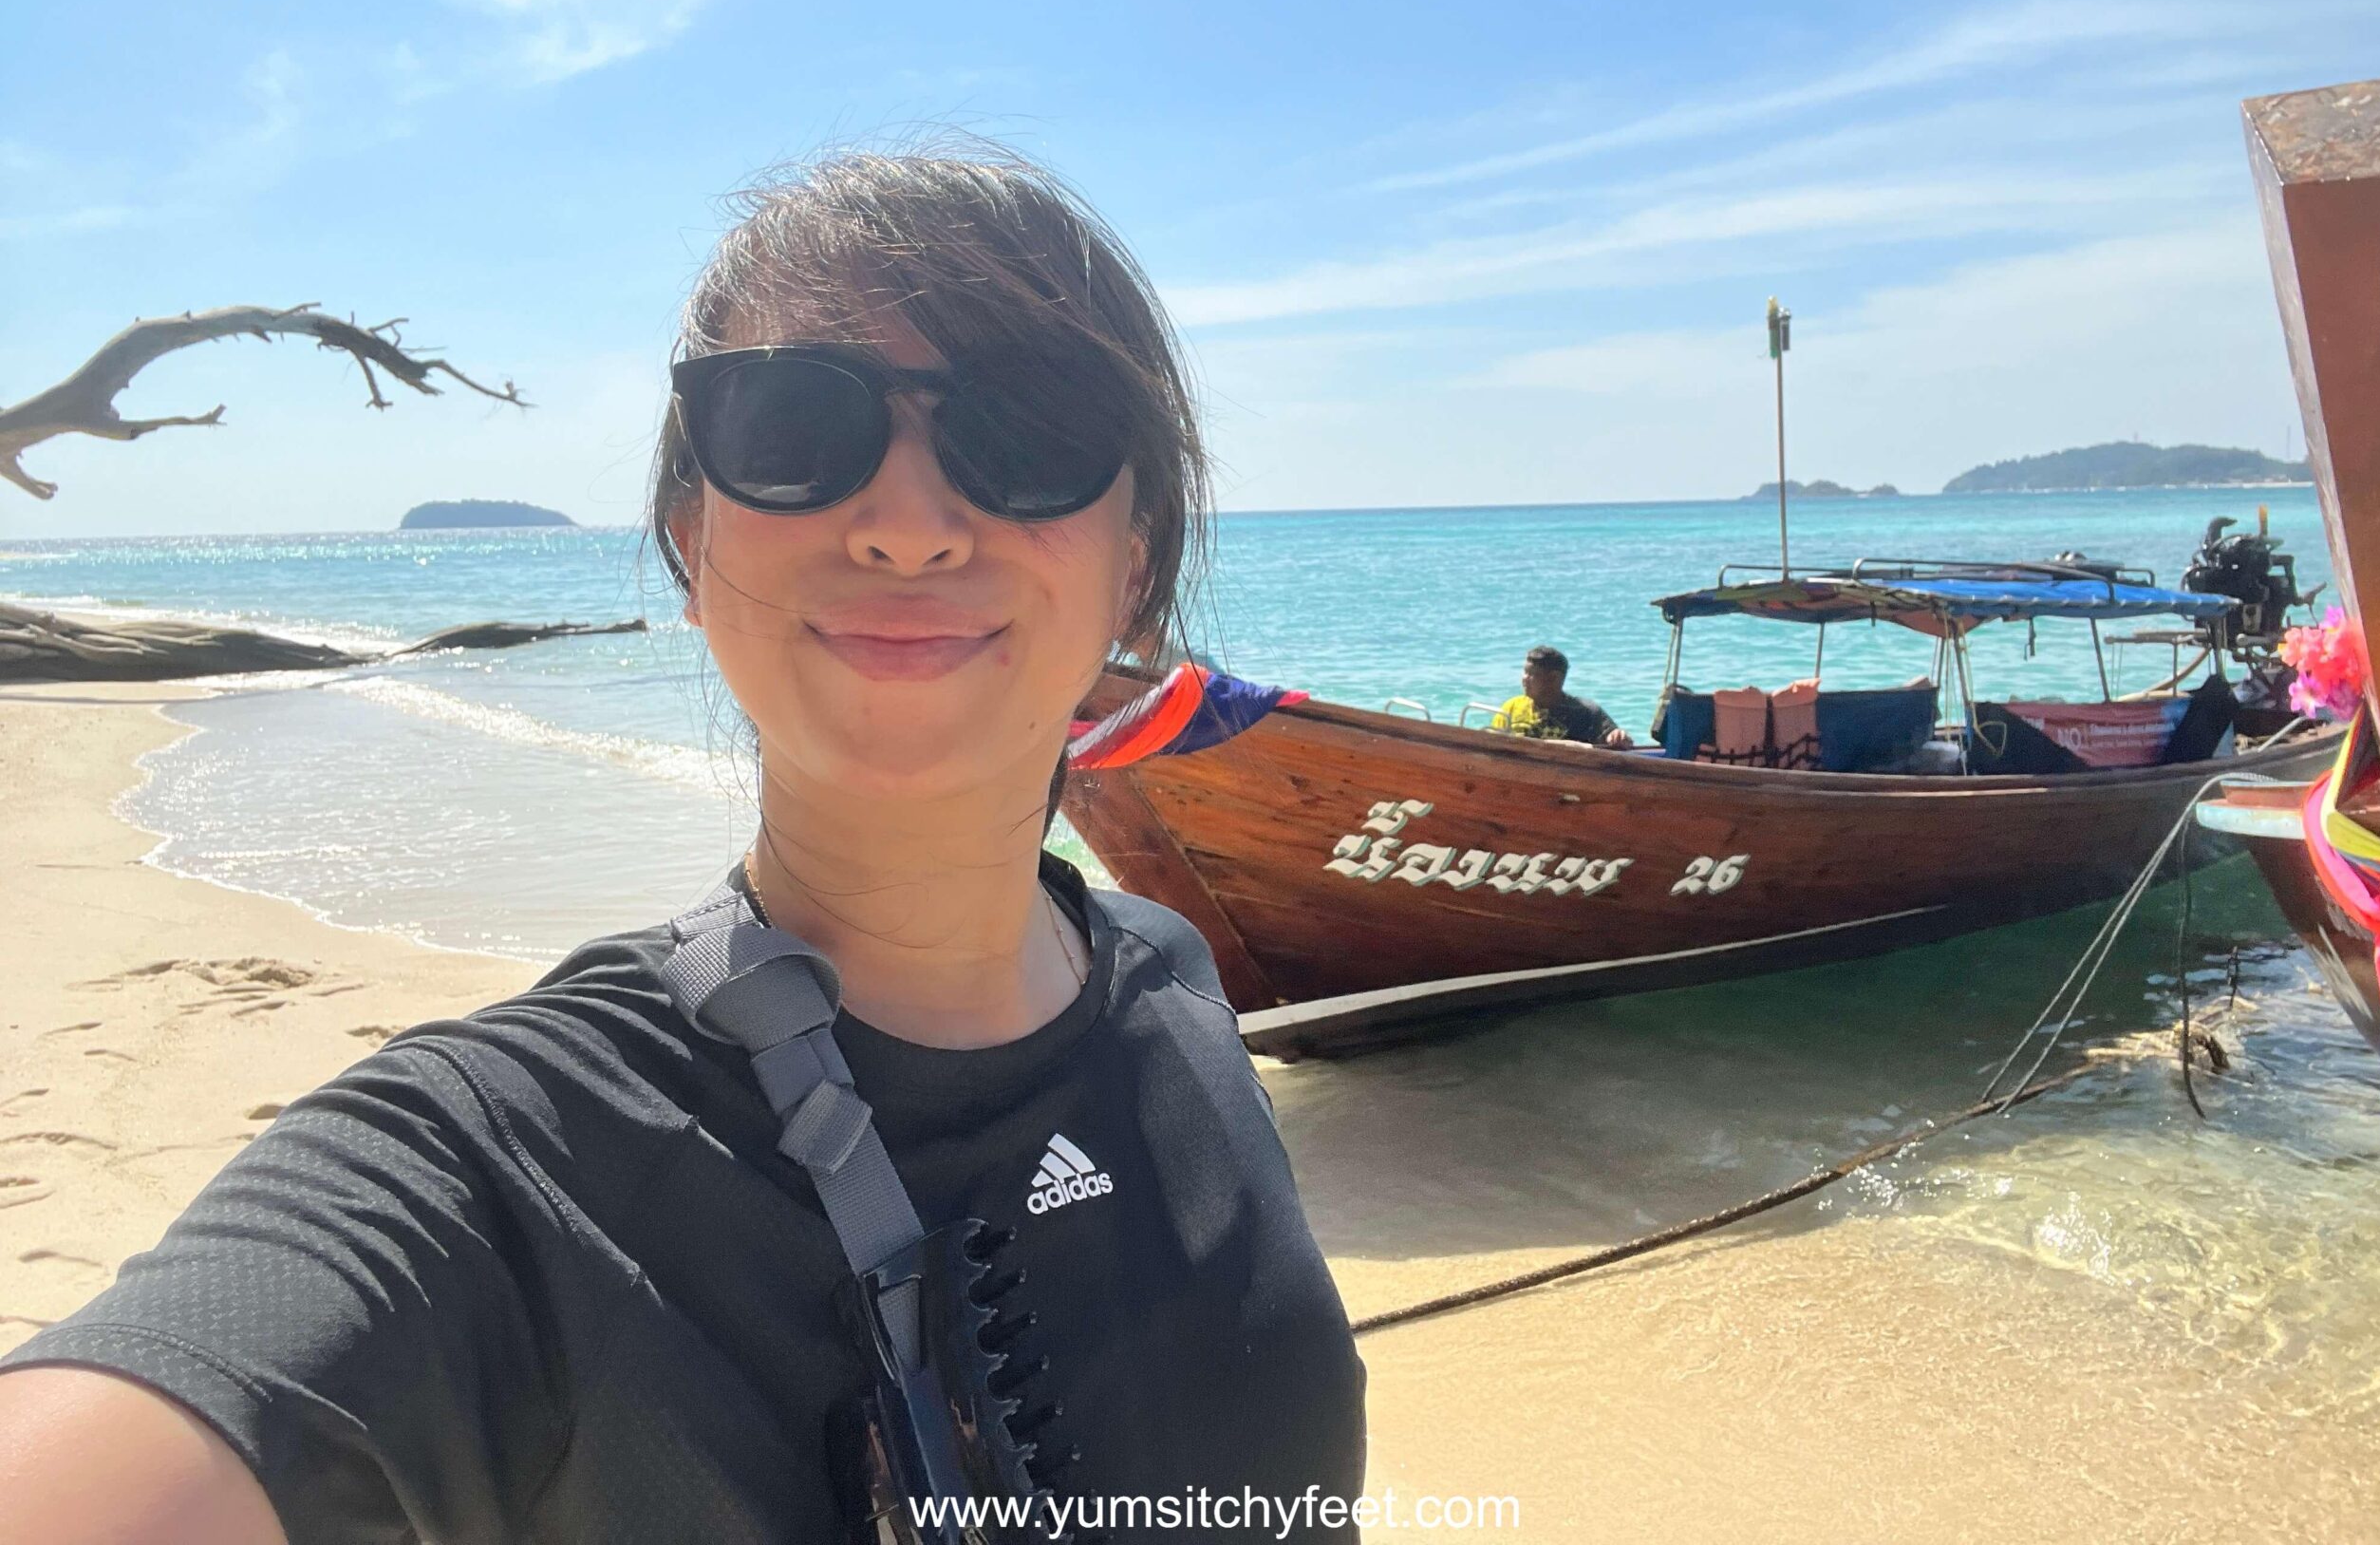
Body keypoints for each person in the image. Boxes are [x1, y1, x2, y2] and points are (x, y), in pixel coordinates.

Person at [0, 151, 1367, 1543]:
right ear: (688, 544)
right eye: (790, 425)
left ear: (1136, 561)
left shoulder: (1176, 982)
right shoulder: (505, 1165)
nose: (906, 525)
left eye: (1027, 429)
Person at [1496, 645, 1634, 748]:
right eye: (1524, 672)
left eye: (1531, 674)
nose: (1524, 679)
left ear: (1554, 678)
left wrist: (1619, 736)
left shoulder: (1586, 712)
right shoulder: (1512, 707)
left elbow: (1619, 742)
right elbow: (1494, 742)